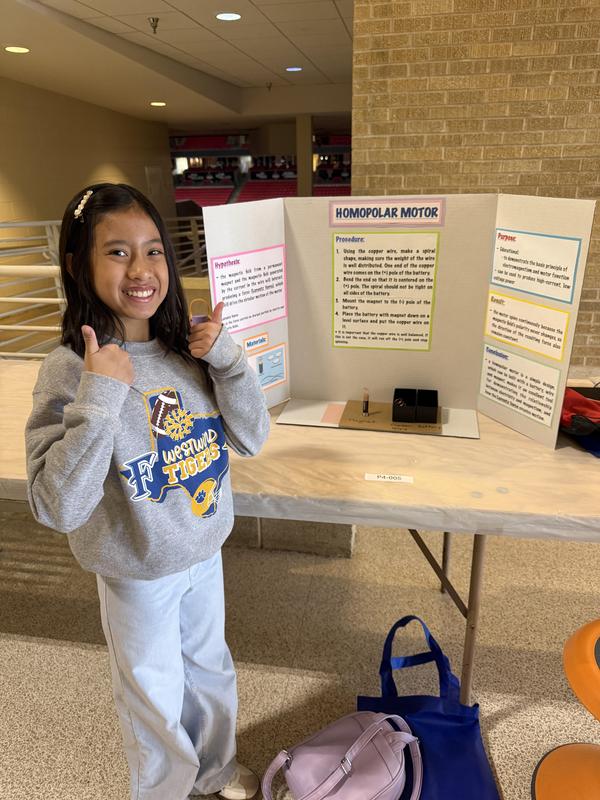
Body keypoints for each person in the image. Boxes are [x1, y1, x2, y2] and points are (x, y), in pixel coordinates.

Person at [24, 183, 270, 800]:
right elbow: (55, 505)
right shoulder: (68, 367)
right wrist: (99, 395)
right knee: (153, 694)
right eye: (117, 252)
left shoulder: (187, 347)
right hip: (136, 568)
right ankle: (165, 791)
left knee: (211, 672)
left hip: (203, 549)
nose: (141, 270)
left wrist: (231, 363)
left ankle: (215, 770)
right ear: (79, 263)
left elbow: (251, 437)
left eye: (154, 250)